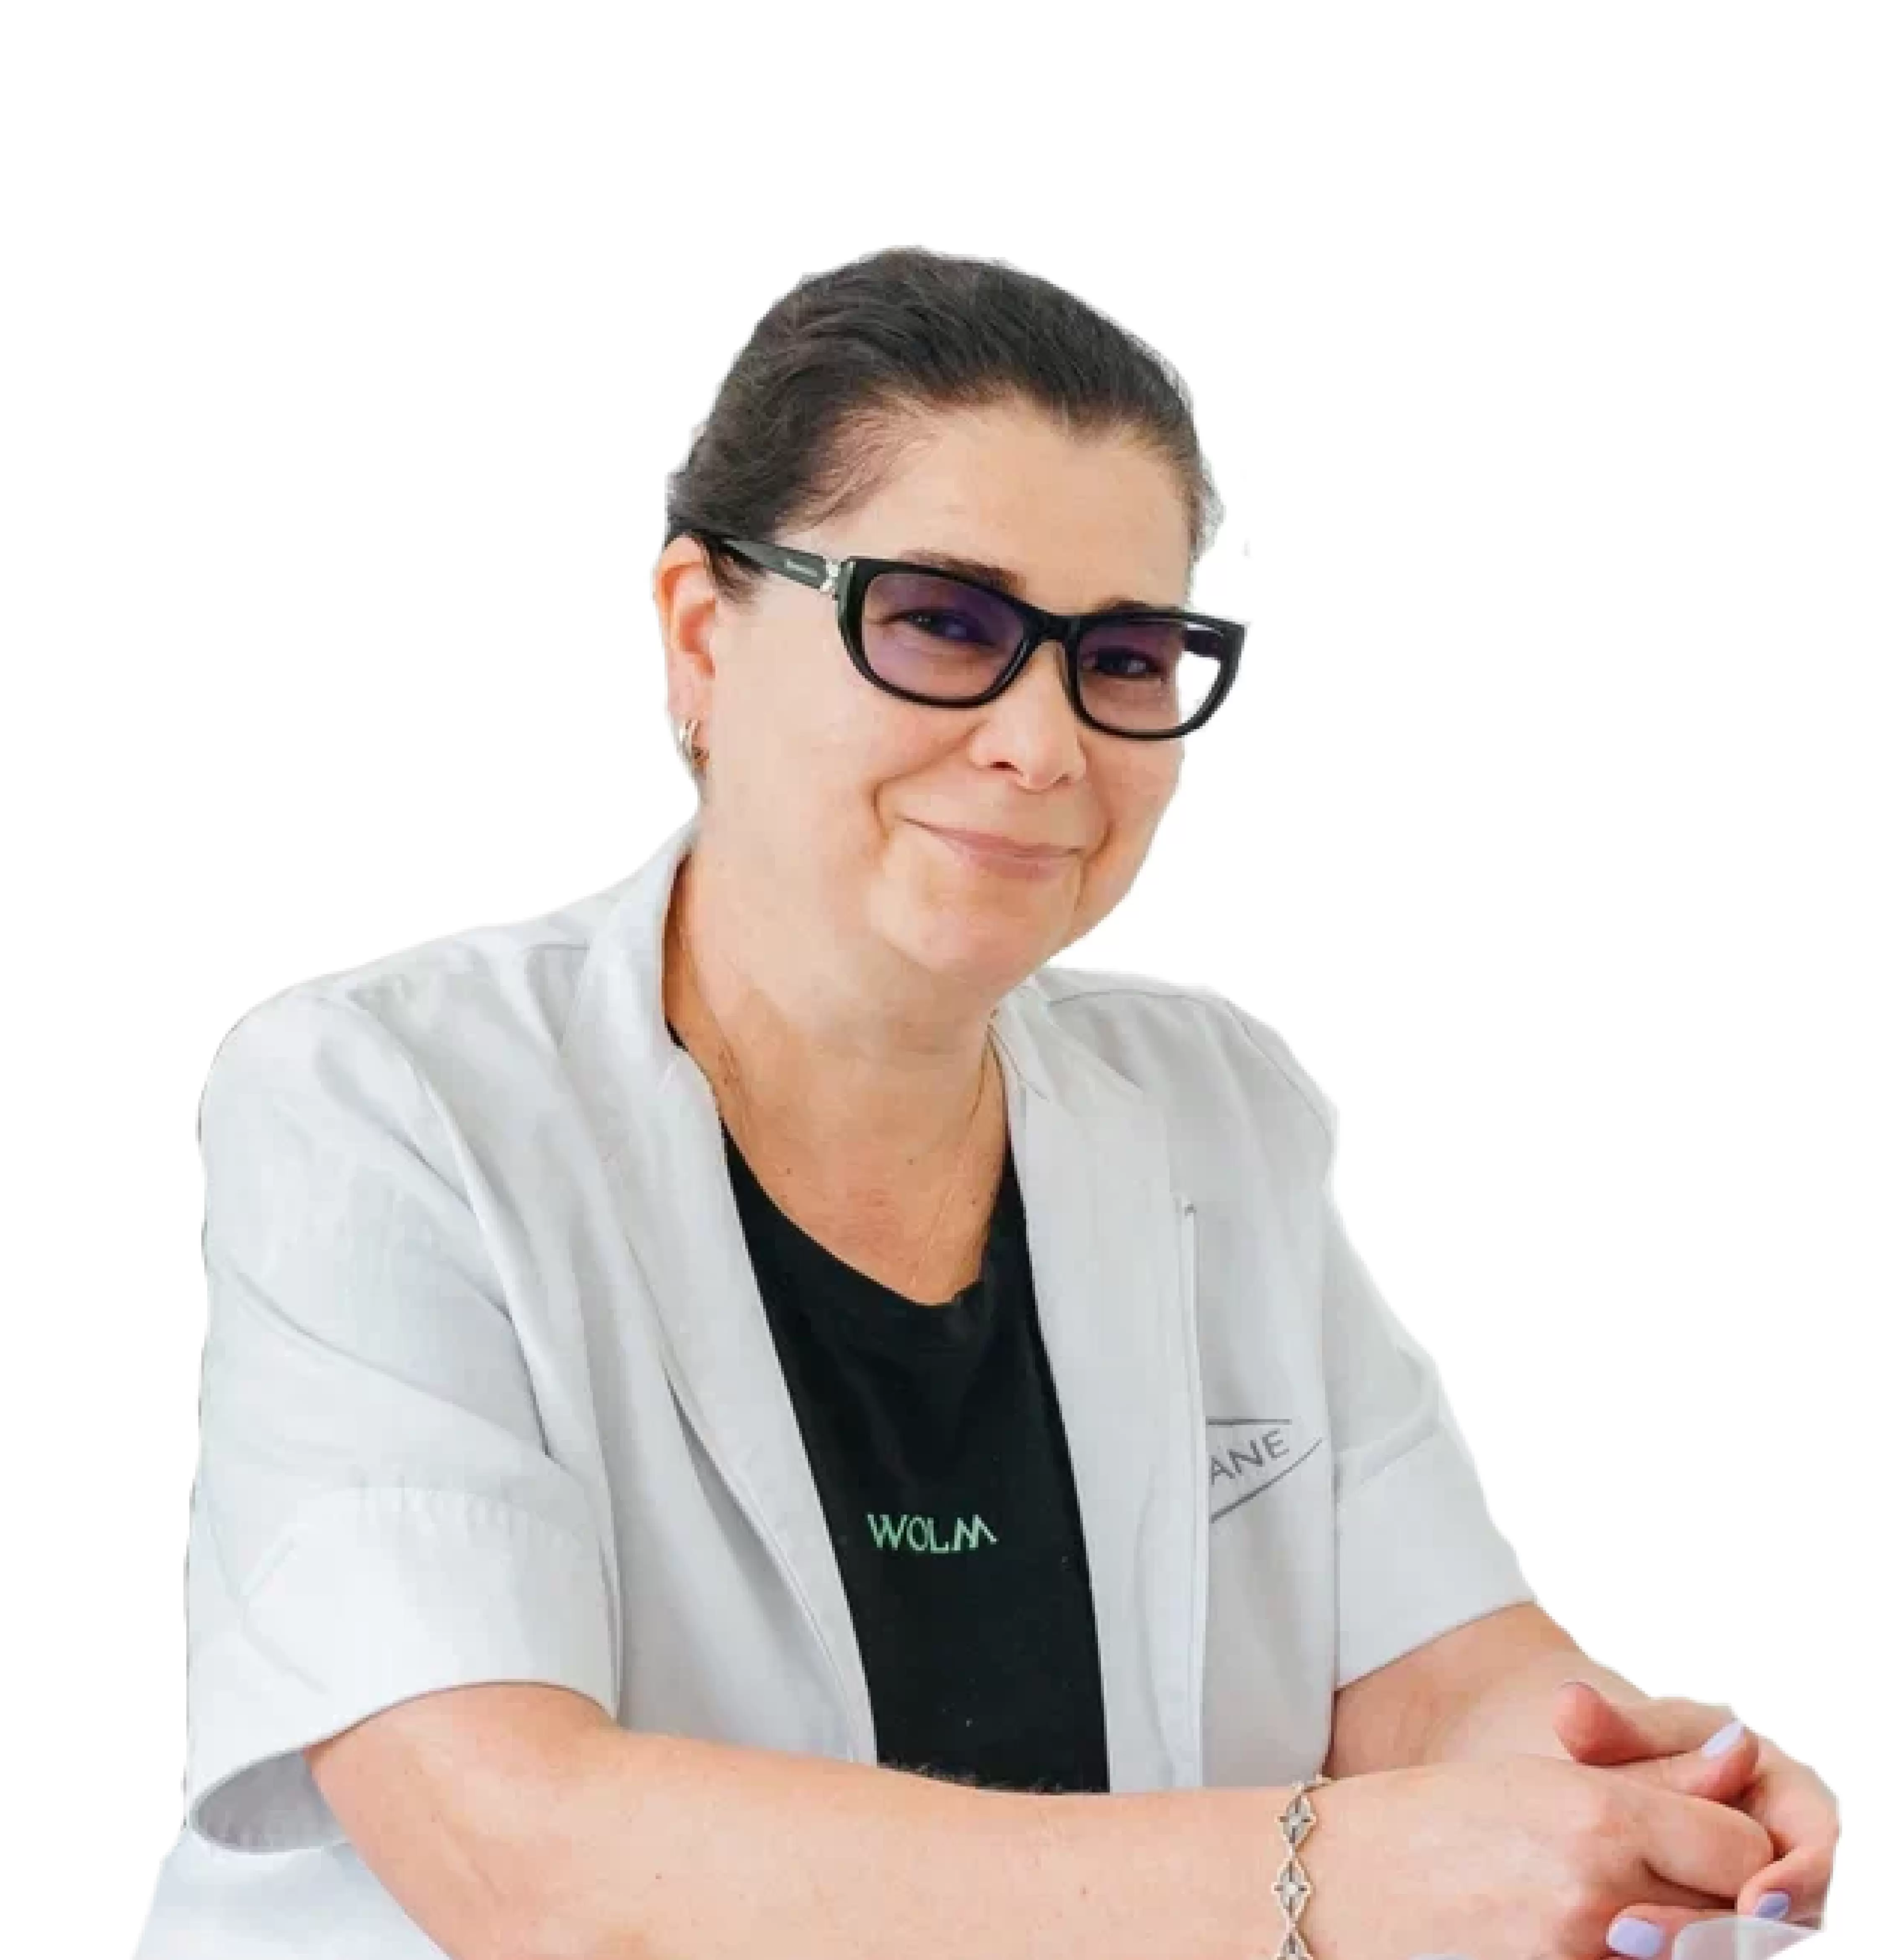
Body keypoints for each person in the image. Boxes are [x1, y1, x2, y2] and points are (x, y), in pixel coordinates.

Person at [134, 246, 1838, 1960]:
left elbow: (1435, 1675)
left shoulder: (1215, 1110)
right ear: (702, 636)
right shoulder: (388, 1102)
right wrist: (1318, 1879)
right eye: (941, 624)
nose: (1043, 743)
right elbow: (526, 1855)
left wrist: (1631, 1795)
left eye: (1126, 655)